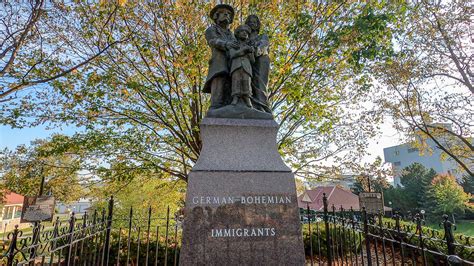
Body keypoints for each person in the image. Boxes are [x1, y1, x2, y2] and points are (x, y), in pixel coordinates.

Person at [203, 4, 239, 109]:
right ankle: (216, 106)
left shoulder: (232, 35)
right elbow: (212, 41)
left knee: (231, 83)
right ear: (216, 16)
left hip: (232, 62)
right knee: (219, 79)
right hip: (219, 62)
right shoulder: (211, 29)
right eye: (224, 13)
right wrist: (226, 44)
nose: (227, 15)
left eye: (229, 14)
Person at [245, 15, 271, 113]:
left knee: (260, 83)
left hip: (261, 60)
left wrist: (256, 50)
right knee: (248, 83)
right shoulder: (244, 39)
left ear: (258, 25)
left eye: (254, 22)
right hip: (248, 62)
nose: (252, 23)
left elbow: (264, 44)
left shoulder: (262, 36)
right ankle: (250, 105)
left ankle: (262, 107)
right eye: (250, 22)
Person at [229, 25, 255, 108]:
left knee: (246, 81)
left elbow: (253, 60)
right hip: (236, 66)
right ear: (237, 33)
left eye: (246, 32)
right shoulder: (234, 44)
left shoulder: (249, 46)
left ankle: (247, 98)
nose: (245, 33)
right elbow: (232, 55)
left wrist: (251, 52)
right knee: (236, 81)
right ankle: (235, 98)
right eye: (242, 31)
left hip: (246, 67)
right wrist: (243, 50)